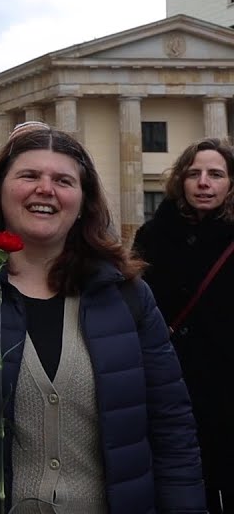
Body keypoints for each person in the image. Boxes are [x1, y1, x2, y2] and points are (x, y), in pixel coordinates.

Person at [0, 127, 205, 512]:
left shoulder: (128, 295)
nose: (46, 189)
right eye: (29, 176)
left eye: (63, 181)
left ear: (83, 200)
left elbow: (172, 429)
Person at [133, 137, 234, 512]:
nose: (203, 183)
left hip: (225, 389)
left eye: (215, 174)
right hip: (167, 383)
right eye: (194, 174)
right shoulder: (153, 236)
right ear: (181, 180)